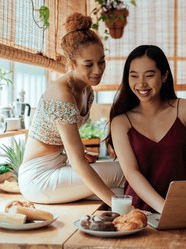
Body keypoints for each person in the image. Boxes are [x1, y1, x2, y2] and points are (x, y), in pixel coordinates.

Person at [18, 13, 125, 206]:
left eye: (101, 61)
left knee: (119, 191)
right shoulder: (61, 93)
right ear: (72, 63)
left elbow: (67, 144)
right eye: (88, 64)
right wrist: (121, 206)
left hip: (60, 167)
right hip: (39, 178)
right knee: (122, 173)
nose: (98, 70)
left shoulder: (86, 88)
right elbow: (78, 163)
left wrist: (80, 153)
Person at [107, 45, 186, 214]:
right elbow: (131, 172)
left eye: (149, 75)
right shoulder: (121, 122)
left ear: (164, 75)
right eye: (134, 76)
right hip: (138, 213)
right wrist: (165, 209)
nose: (141, 83)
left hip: (184, 209)